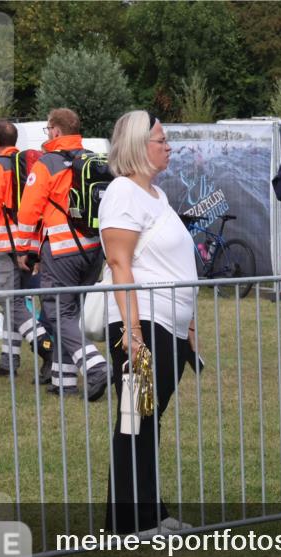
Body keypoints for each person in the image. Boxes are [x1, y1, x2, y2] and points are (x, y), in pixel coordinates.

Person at [99, 110, 199, 535]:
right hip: (142, 326)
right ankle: (128, 522)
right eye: (161, 140)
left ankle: (151, 512)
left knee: (146, 419)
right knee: (135, 419)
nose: (168, 146)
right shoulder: (122, 192)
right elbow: (120, 263)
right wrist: (133, 334)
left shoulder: (156, 195)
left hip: (169, 326)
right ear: (140, 147)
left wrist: (190, 326)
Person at [18, 108, 109, 400]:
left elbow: (28, 211)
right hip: (94, 249)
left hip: (62, 249)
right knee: (70, 314)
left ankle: (95, 367)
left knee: (58, 312)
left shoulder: (47, 163)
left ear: (56, 131)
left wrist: (26, 250)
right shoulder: (92, 159)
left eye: (48, 129)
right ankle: (63, 381)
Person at [0, 119, 54, 380]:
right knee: (15, 302)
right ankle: (8, 361)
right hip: (26, 240)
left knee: (8, 300)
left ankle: (45, 346)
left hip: (5, 242)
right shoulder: (24, 164)